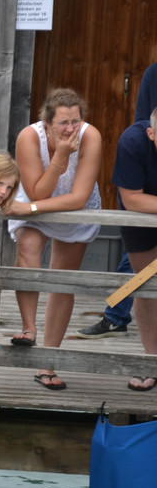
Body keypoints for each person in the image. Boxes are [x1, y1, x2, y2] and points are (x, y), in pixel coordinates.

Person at [7, 88, 102, 390]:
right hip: (38, 197)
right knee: (29, 246)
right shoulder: (29, 137)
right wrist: (60, 155)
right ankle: (28, 328)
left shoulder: (91, 137)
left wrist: (31, 208)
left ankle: (47, 363)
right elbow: (37, 192)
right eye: (63, 123)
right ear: (47, 124)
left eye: (75, 121)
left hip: (72, 206)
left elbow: (78, 198)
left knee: (62, 279)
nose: (70, 129)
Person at [75, 64, 157, 341]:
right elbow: (144, 121)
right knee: (141, 275)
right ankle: (118, 316)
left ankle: (115, 314)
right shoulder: (153, 74)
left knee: (140, 272)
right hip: (144, 196)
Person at [111, 106, 157, 391]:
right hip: (139, 217)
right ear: (151, 133)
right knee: (146, 285)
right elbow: (132, 200)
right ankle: (150, 359)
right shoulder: (132, 141)